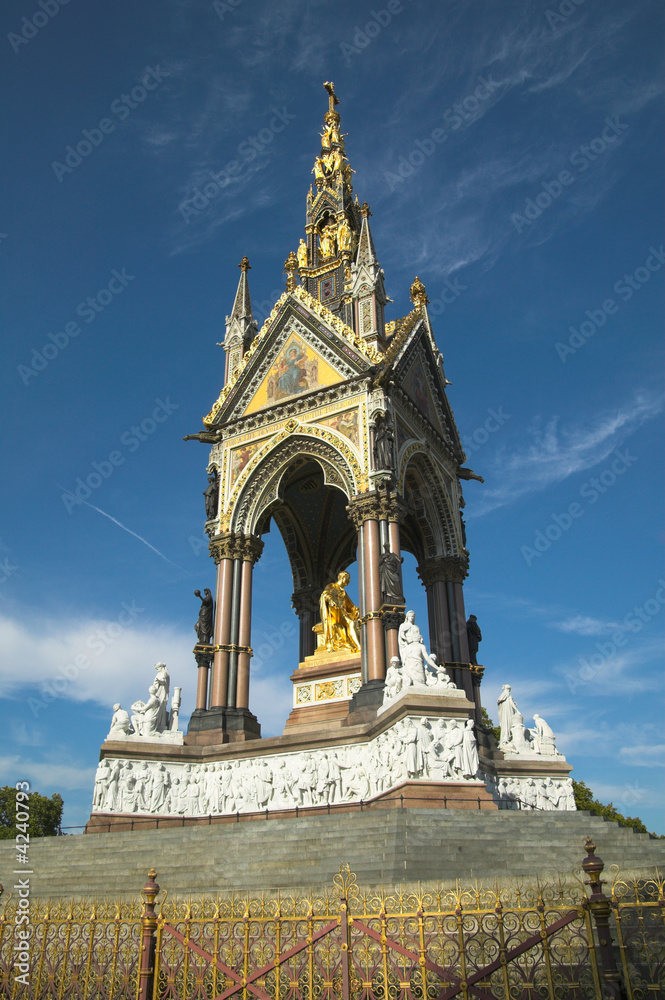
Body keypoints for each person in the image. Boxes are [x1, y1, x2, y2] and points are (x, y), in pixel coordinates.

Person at [319, 571, 361, 652]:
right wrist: (331, 601)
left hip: (342, 613)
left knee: (353, 623)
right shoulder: (332, 586)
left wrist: (357, 610)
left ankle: (357, 646)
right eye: (348, 578)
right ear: (343, 577)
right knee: (350, 623)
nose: (349, 581)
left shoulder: (343, 592)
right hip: (334, 612)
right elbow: (325, 594)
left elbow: (351, 606)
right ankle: (358, 647)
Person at [398, 611, 437, 686]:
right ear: (407, 617)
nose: (412, 618)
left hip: (417, 653)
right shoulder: (403, 626)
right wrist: (406, 639)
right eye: (411, 616)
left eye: (413, 616)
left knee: (420, 678)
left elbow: (420, 636)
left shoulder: (416, 627)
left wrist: (420, 640)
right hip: (409, 648)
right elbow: (401, 634)